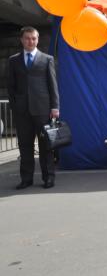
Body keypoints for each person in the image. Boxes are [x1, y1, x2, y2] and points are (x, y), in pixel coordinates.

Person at [7, 26, 60, 189]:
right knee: (25, 146)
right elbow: (11, 87)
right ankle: (26, 179)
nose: (31, 41)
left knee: (46, 147)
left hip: (43, 110)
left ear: (37, 40)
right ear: (22, 40)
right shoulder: (13, 60)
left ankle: (48, 177)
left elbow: (53, 85)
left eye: (34, 38)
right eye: (27, 38)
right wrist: (14, 107)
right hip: (22, 112)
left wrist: (55, 107)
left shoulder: (47, 59)